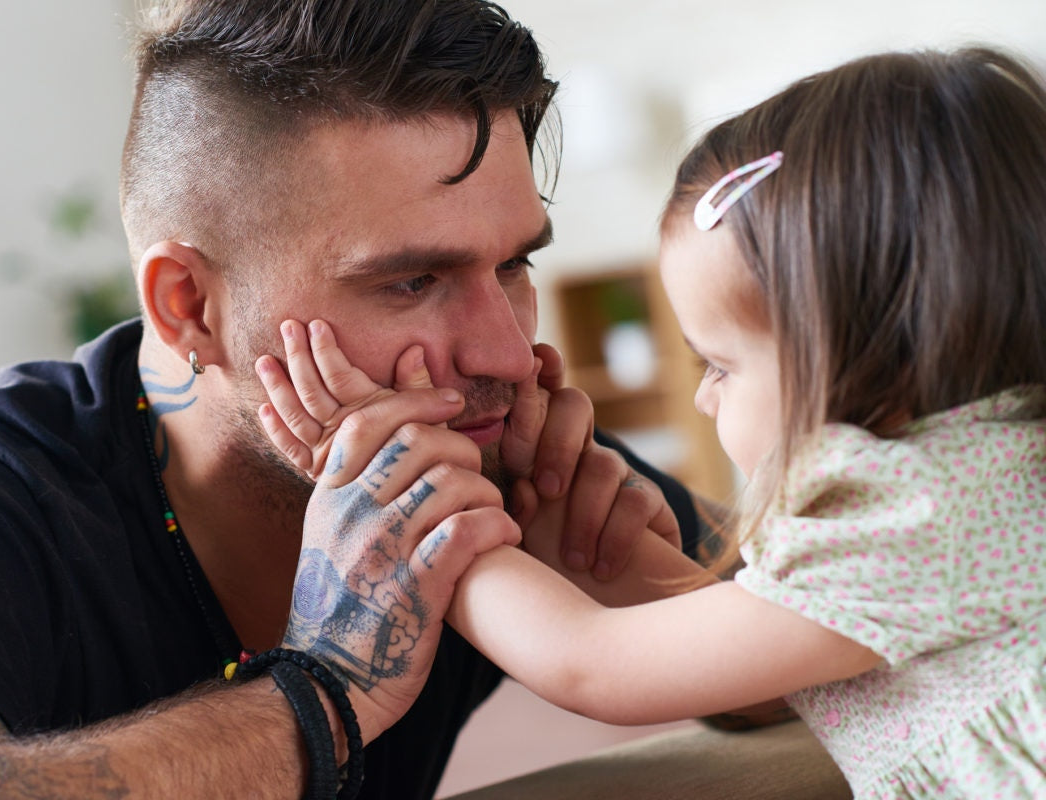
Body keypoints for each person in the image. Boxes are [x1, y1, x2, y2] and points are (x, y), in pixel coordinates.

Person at [0, 1, 711, 798]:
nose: (509, 352)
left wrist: (671, 618)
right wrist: (327, 692)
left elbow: (828, 631)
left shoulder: (481, 455)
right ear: (189, 305)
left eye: (515, 265)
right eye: (412, 281)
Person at [260, 47, 1046, 798]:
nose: (704, 399)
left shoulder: (916, 513)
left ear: (879, 361)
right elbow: (742, 632)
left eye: (721, 366)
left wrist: (413, 509)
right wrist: (600, 555)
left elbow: (593, 665)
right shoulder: (973, 481)